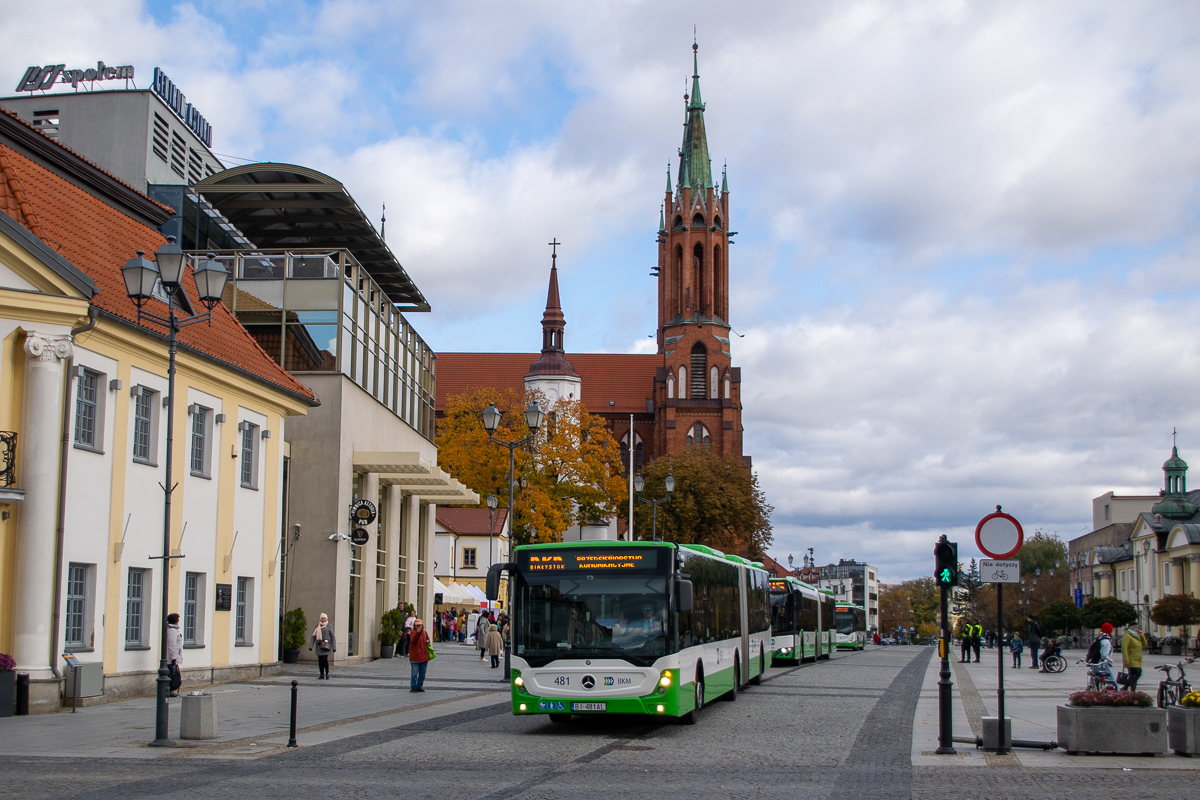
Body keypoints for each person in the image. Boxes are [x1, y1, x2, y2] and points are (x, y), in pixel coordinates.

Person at [1121, 622, 1148, 691]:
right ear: (1132, 628)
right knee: (1137, 674)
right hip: (1131, 659)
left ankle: (1132, 691)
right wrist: (1126, 659)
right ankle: (1125, 687)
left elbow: (1144, 644)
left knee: (1133, 676)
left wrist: (1142, 635)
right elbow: (1124, 648)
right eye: (1136, 627)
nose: (1138, 629)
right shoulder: (1127, 635)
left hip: (1137, 660)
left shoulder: (1136, 636)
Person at [408, 619, 432, 692]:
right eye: (417, 625)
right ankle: (413, 687)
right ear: (415, 626)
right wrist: (417, 633)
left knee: (422, 674)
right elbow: (414, 640)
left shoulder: (424, 633)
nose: (419, 627)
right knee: (414, 673)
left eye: (420, 625)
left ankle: (419, 686)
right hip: (415, 657)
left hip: (424, 657)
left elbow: (428, 640)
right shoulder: (413, 633)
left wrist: (428, 641)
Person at [310, 612, 335, 679]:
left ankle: (327, 673)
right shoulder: (317, 626)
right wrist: (311, 646)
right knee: (320, 660)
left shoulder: (329, 626)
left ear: (326, 619)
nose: (323, 619)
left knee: (324, 659)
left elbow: (333, 637)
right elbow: (313, 637)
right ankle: (321, 674)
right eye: (322, 618)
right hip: (319, 646)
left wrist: (334, 647)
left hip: (326, 646)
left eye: (324, 618)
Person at [166, 612, 183, 697]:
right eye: (178, 619)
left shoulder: (174, 630)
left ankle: (171, 690)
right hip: (170, 658)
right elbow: (172, 645)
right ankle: (169, 690)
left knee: (173, 674)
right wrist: (174, 658)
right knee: (171, 674)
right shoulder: (172, 631)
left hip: (173, 657)